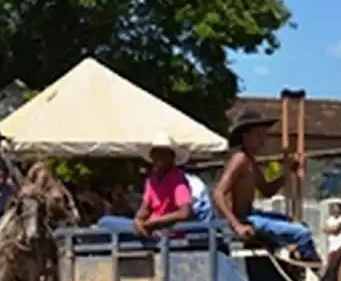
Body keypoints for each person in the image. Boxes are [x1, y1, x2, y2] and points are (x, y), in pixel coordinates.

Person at [211, 110, 318, 260]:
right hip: (244, 219)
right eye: (258, 135)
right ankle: (314, 271)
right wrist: (237, 226)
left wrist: (288, 173)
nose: (263, 140)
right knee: (302, 233)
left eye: (264, 135)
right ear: (245, 136)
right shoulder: (239, 159)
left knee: (297, 223)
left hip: (252, 215)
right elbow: (218, 193)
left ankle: (291, 260)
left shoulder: (250, 161)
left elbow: (267, 190)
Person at [97, 134, 193, 235]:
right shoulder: (152, 180)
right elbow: (144, 209)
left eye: (162, 154)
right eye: (155, 154)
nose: (157, 158)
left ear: (171, 157)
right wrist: (138, 221)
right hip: (151, 228)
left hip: (169, 231)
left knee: (105, 222)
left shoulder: (178, 180)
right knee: (105, 223)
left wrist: (157, 222)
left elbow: (184, 213)